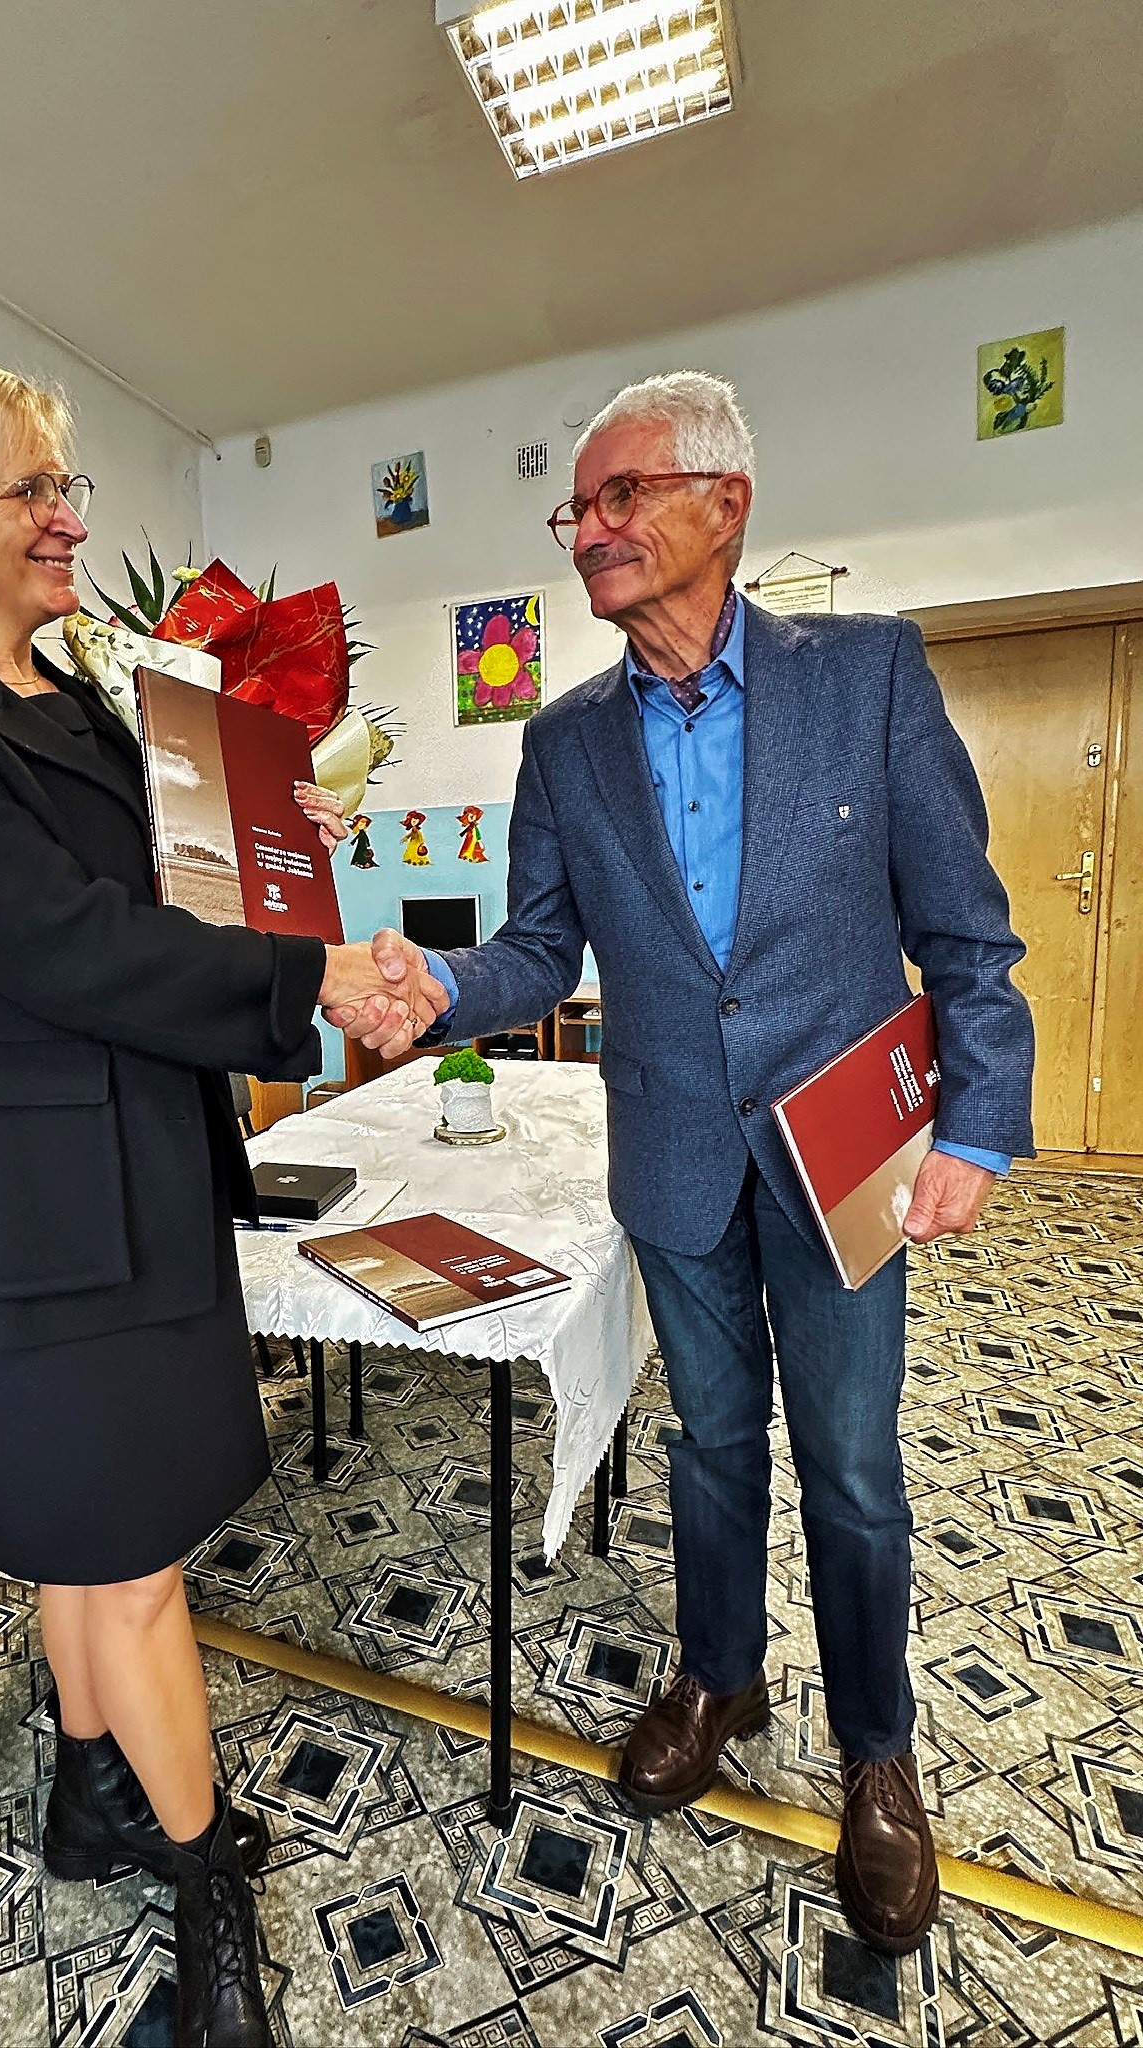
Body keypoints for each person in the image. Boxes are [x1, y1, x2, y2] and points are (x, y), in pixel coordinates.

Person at [330, 371, 1034, 1956]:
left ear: (725, 500)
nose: (591, 530)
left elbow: (968, 935)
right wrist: (446, 988)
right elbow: (537, 947)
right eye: (576, 508)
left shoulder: (868, 676)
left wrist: (979, 1124)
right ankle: (719, 1671)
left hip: (845, 1156)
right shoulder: (566, 740)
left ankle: (878, 1754)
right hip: (671, 1155)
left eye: (621, 495)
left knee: (852, 1469)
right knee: (713, 1444)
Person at [0, 349, 445, 2048]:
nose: (64, 517)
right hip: (22, 1224)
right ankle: (212, 1926)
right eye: (28, 487)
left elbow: (183, 881)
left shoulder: (85, 704)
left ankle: (92, 1796)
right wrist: (308, 985)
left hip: (140, 1177)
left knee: (97, 1559)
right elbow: (67, 943)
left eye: (61, 485)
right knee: (125, 1565)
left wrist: (289, 837)